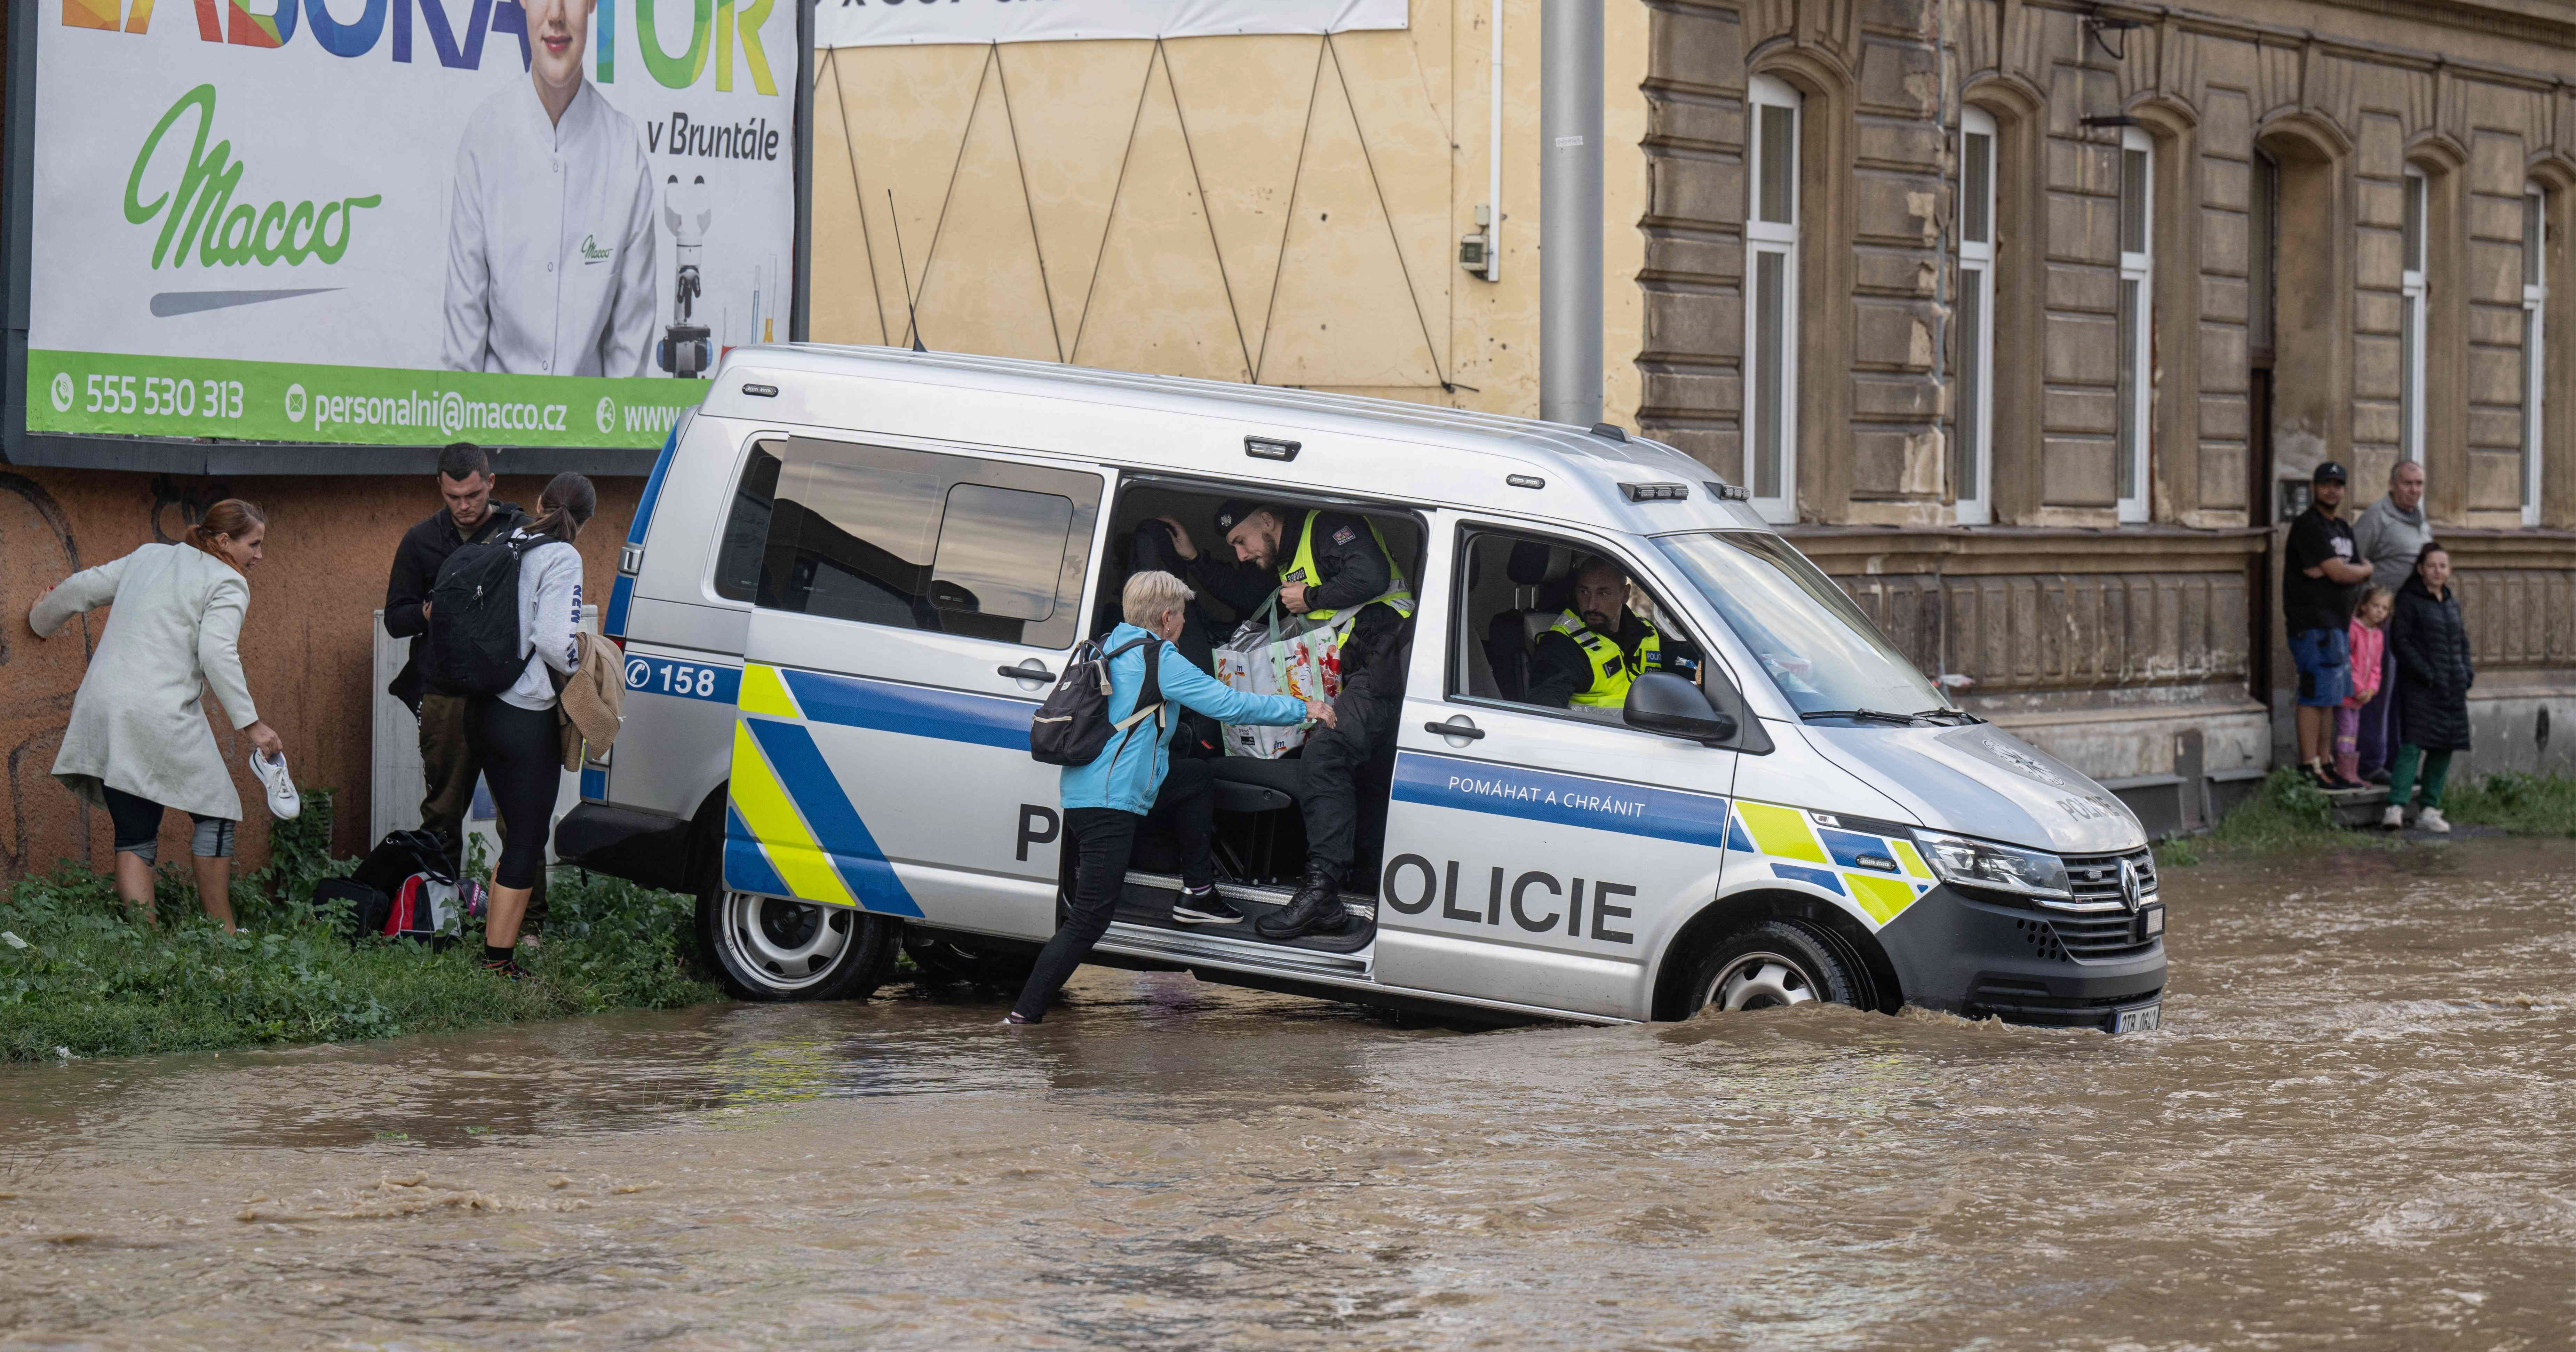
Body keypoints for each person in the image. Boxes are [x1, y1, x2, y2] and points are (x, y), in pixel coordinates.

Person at [1007, 572, 1330, 1024]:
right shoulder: (1160, 657)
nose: (1183, 622)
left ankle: (1197, 891)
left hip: (1090, 791)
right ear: (1167, 617)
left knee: (1195, 776)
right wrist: (1304, 708)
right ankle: (1023, 1019)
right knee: (1088, 921)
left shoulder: (1110, 644)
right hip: (1110, 802)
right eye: (1182, 614)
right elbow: (1230, 705)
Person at [1156, 501, 1416, 941]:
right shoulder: (1281, 554)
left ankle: (1322, 893)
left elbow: (1370, 575)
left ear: (1267, 520)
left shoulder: (1328, 527)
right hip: (1350, 663)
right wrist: (1193, 561)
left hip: (1386, 654)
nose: (1241, 553)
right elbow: (1247, 597)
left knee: (1325, 754)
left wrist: (1312, 598)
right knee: (1328, 754)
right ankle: (1337, 889)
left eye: (1241, 541)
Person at [24, 501, 283, 930]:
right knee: (217, 809)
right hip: (157, 710)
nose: (259, 555)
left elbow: (82, 587)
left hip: (104, 706)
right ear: (224, 542)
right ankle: (226, 936)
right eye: (254, 544)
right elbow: (217, 652)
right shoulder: (229, 582)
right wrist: (252, 725)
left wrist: (39, 620)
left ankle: (146, 945)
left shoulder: (149, 555)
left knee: (135, 831)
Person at [442, 0, 656, 377]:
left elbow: (628, 373)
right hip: (492, 428)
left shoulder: (625, 154)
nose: (556, 14)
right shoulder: (484, 139)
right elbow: (462, 357)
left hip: (591, 433)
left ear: (592, 4)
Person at [470, 473, 597, 977]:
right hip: (524, 713)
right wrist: (580, 660)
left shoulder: (505, 540)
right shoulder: (563, 556)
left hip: (480, 705)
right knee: (526, 836)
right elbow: (551, 640)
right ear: (584, 522)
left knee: (515, 834)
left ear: (540, 502)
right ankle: (499, 961)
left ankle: (495, 946)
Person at [384, 442, 525, 880]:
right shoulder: (421, 539)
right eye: (453, 498)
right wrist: (429, 612)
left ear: (491, 484)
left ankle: (527, 922)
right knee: (442, 813)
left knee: (519, 817)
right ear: (440, 489)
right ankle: (438, 912)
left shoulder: (519, 532)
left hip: (510, 693)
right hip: (444, 694)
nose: (464, 507)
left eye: (474, 496)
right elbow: (394, 619)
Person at [2282, 461, 2372, 790]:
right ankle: (2310, 766)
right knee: (2313, 694)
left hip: (2338, 624)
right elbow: (2342, 573)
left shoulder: (2344, 529)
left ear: (2344, 490)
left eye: (2338, 484)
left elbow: (2344, 572)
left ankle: (2327, 763)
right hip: (2312, 624)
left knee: (2331, 697)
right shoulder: (2309, 526)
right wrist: (2356, 570)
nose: (2332, 489)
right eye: (2326, 483)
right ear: (2315, 488)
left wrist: (2347, 570)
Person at [2351, 460, 2431, 781]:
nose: (2414, 490)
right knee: (2375, 693)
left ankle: (2399, 765)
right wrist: (2363, 617)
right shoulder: (2377, 516)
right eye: (2408, 483)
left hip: (2408, 624)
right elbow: (2353, 561)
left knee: (2402, 696)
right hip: (2378, 623)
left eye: (2419, 484)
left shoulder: (2421, 523)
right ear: (2392, 484)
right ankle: (2371, 763)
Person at [2383, 543, 2471, 834]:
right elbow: (2401, 642)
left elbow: (2462, 642)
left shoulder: (2450, 602)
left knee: (2444, 747)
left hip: (2452, 687)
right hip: (2421, 686)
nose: (2438, 571)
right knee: (2412, 745)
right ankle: (2395, 807)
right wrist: (2426, 673)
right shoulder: (2409, 600)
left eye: (2443, 566)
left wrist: (2465, 673)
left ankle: (2429, 810)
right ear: (2420, 569)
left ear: (2449, 571)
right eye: (2432, 565)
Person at [1528, 556, 1662, 710]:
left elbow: (1683, 660)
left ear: (1625, 595)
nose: (1592, 605)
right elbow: (1545, 710)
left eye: (1603, 594)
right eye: (1584, 592)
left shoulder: (1646, 631)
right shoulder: (1561, 646)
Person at [2335, 588, 2393, 787]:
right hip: (2348, 692)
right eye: (2376, 606)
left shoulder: (2378, 635)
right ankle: (2344, 773)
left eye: (2385, 608)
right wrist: (2359, 688)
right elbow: (2348, 661)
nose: (2380, 611)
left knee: (2354, 731)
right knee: (2346, 729)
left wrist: (2372, 690)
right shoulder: (2353, 629)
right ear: (2364, 606)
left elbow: (2376, 667)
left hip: (2361, 696)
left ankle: (2351, 773)